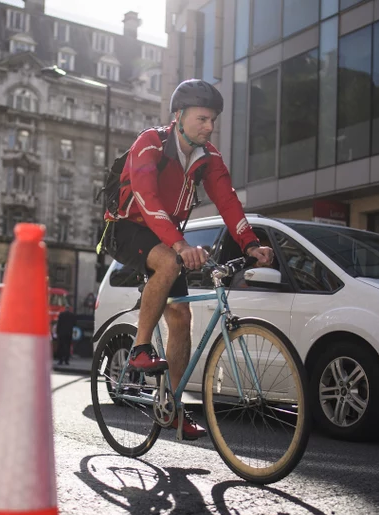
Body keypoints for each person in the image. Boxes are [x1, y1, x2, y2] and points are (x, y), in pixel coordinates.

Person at [100, 79, 274, 440]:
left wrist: (250, 243)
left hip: (165, 235)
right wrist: (180, 246)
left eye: (213, 120)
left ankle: (174, 409)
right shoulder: (150, 142)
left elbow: (228, 202)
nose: (209, 127)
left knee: (181, 316)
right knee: (168, 261)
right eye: (203, 118)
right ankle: (140, 349)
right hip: (127, 227)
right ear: (178, 116)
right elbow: (147, 199)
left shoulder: (207, 158)